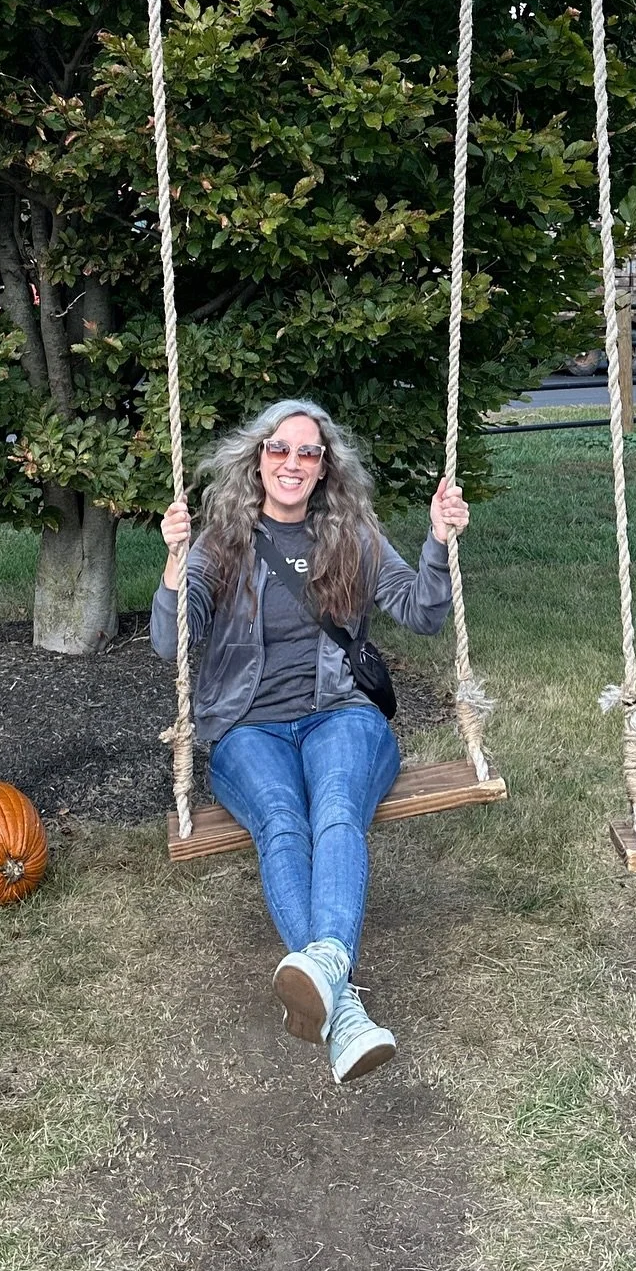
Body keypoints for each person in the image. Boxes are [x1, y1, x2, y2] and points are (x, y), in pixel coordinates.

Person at [151, 398, 470, 1084]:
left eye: (308, 452)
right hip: (247, 726)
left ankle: (326, 975)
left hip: (343, 716)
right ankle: (344, 1009)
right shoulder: (220, 542)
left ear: (326, 468)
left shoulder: (352, 535)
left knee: (334, 811)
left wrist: (439, 542)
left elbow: (421, 613)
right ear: (256, 460)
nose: (292, 463)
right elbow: (167, 641)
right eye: (279, 450)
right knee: (282, 823)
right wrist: (176, 564)